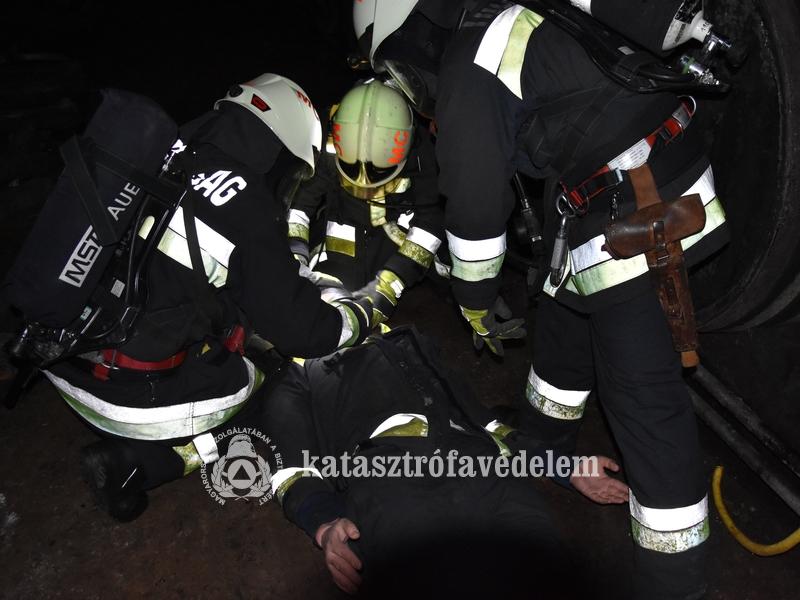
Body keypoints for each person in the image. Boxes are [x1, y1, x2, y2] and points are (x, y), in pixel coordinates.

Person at [352, 1, 729, 598]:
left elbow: (474, 205)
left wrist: (475, 301)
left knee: (644, 402)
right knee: (563, 322)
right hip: (633, 182)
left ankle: (674, 579)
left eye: (398, 66)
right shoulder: (515, 16)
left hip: (638, 213)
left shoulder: (470, 59)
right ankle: (546, 450)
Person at [35, 73, 375, 521]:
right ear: (281, 147)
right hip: (122, 399)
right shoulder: (245, 202)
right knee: (271, 376)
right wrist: (355, 316)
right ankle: (137, 465)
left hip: (60, 352)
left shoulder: (163, 147)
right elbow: (305, 333)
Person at [262, 326, 628, 598]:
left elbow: (487, 423)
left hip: (482, 466)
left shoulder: (405, 342)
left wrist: (565, 467)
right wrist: (324, 523)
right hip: (389, 478)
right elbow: (292, 470)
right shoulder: (297, 373)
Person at [287, 78, 445, 327]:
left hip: (393, 231)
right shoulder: (331, 136)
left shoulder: (420, 149)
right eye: (352, 170)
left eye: (379, 173)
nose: (364, 183)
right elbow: (300, 203)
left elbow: (430, 223)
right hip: (345, 229)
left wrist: (392, 282)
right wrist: (294, 257)